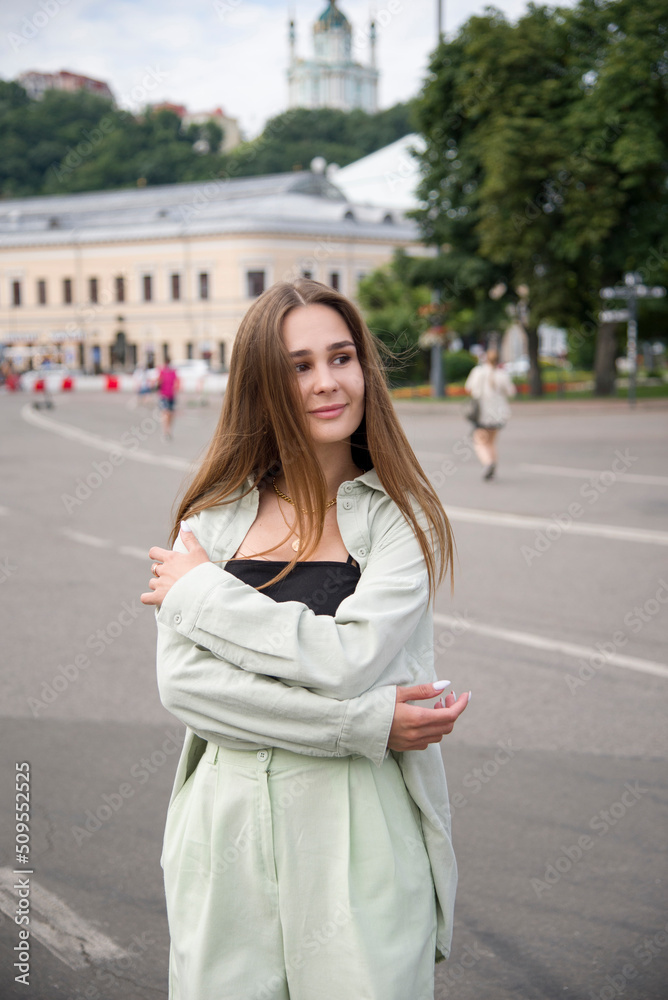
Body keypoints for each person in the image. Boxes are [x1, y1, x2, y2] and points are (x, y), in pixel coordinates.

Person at [141, 278, 470, 1000]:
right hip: (225, 829)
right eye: (299, 366)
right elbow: (187, 687)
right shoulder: (212, 523)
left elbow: (349, 660)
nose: (328, 382)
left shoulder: (398, 518)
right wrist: (365, 724)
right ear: (262, 384)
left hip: (361, 827)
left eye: (342, 357)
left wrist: (202, 594)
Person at [464, 347, 516, 479]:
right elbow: (511, 392)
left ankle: (488, 463)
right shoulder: (502, 374)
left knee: (480, 442)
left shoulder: (478, 372)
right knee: (491, 441)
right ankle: (493, 465)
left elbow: (468, 388)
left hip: (482, 413)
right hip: (499, 414)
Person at [157, 357, 179, 439]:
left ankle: (168, 430)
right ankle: (166, 431)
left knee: (170, 414)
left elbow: (176, 382)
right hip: (165, 395)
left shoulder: (171, 371)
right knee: (166, 413)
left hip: (170, 395)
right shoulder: (164, 371)